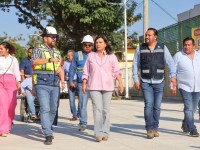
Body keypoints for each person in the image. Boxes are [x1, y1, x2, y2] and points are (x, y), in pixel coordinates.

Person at [132, 28, 176, 139]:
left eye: (149, 35)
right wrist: (136, 80)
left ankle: (155, 127)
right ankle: (149, 128)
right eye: (146, 35)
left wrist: (173, 77)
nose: (146, 37)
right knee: (149, 104)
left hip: (159, 81)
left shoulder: (163, 48)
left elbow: (170, 62)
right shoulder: (140, 48)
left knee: (157, 107)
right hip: (145, 81)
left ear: (155, 37)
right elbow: (135, 65)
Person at [82, 35, 124, 142]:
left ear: (105, 44)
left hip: (108, 86)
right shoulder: (91, 56)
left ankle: (105, 132)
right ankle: (98, 133)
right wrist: (84, 82)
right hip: (94, 86)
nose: (98, 44)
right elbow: (86, 70)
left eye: (100, 42)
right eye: (96, 43)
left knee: (106, 110)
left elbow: (116, 71)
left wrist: (120, 83)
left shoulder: (112, 57)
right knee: (97, 109)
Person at [32, 26, 65, 145]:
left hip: (55, 82)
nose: (54, 39)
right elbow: (35, 61)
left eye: (56, 37)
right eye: (52, 37)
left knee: (53, 109)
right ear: (45, 38)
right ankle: (48, 133)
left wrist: (62, 81)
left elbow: (60, 67)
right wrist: (49, 60)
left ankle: (46, 126)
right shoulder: (38, 49)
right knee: (45, 108)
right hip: (42, 82)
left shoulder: (57, 51)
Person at [173, 37, 200, 137]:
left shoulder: (199, 55)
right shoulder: (178, 55)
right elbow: (172, 71)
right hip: (184, 86)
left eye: (189, 45)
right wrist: (173, 85)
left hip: (198, 87)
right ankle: (192, 129)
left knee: (192, 109)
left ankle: (185, 123)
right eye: (185, 45)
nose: (186, 47)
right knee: (189, 108)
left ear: (194, 46)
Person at [69, 34, 94, 132]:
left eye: (89, 45)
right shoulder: (77, 55)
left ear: (92, 46)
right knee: (82, 104)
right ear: (82, 45)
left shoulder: (95, 54)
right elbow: (72, 68)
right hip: (81, 83)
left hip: (94, 83)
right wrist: (71, 80)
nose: (87, 46)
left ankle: (99, 123)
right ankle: (83, 123)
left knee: (97, 105)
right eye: (85, 45)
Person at [0, 42, 21, 137]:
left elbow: (17, 72)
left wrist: (19, 83)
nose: (0, 50)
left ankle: (8, 124)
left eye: (1, 49)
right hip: (0, 82)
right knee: (3, 105)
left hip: (11, 82)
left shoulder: (13, 59)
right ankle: (3, 129)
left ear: (7, 50)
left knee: (11, 106)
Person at [64, 50, 79, 121]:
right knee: (71, 99)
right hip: (69, 82)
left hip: (78, 81)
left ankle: (80, 113)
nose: (69, 57)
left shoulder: (78, 62)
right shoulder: (65, 63)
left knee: (81, 99)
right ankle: (74, 115)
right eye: (68, 55)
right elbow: (63, 73)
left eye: (71, 55)